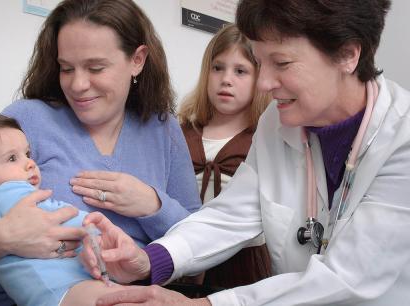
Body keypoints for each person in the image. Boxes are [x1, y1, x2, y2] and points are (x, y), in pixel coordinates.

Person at [80, 0, 410, 305]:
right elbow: (231, 214)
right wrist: (152, 259)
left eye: (281, 63)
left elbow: (350, 277)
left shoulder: (402, 138)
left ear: (348, 55)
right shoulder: (278, 123)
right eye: (258, 61)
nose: (263, 83)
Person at [0, 0, 200, 304]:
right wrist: (6, 235)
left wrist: (152, 203)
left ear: (137, 60)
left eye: (95, 68)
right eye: (66, 68)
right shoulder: (26, 120)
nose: (78, 84)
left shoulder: (162, 129)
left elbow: (200, 241)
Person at [0, 114, 126, 306]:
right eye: (12, 158)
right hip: (54, 291)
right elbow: (65, 220)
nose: (30, 163)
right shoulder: (2, 196)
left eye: (27, 154)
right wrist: (99, 228)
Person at [177, 24, 271, 288]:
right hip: (181, 255)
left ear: (260, 78)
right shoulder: (180, 131)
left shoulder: (265, 139)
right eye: (218, 68)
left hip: (241, 266)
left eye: (240, 71)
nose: (226, 79)